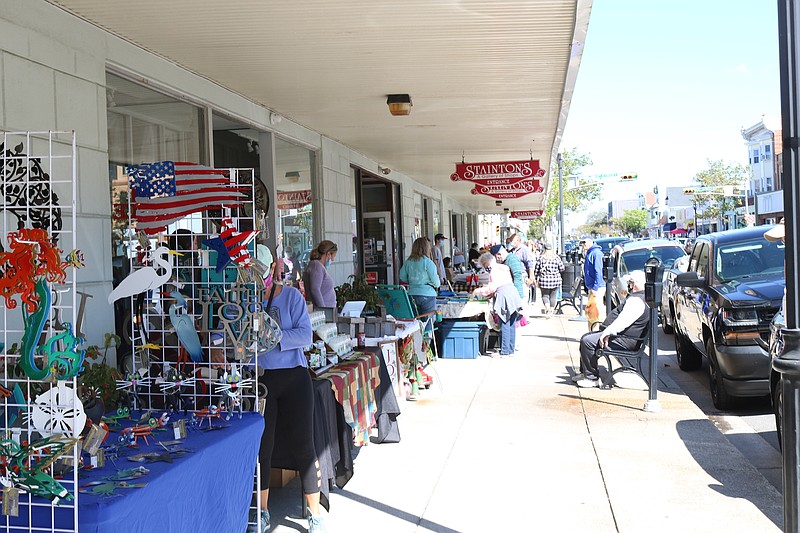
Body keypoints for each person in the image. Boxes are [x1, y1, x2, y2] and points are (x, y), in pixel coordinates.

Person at [251, 246, 326, 533]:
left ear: (273, 268)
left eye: (263, 269)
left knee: (304, 446)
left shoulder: (292, 296)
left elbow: (306, 334)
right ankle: (263, 512)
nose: (258, 276)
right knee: (263, 448)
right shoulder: (247, 298)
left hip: (295, 378)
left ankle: (314, 513)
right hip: (262, 379)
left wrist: (272, 336)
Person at [574, 270, 649, 388]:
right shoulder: (640, 298)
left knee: (587, 342)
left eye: (630, 282)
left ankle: (591, 378)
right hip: (623, 337)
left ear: (634, 283)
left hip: (624, 340)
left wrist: (607, 332)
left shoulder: (636, 301)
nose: (629, 284)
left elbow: (623, 321)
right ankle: (585, 373)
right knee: (586, 338)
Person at [473, 252, 523, 356]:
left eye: (485, 266)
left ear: (488, 263)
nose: (486, 269)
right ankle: (510, 350)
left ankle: (504, 351)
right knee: (512, 324)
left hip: (504, 296)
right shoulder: (504, 267)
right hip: (513, 294)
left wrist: (478, 291)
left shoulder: (494, 271)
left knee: (504, 323)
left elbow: (492, 288)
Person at [399, 237, 441, 316]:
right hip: (428, 295)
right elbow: (436, 283)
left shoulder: (408, 262)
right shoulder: (428, 262)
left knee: (415, 323)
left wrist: (413, 280)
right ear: (427, 248)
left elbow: (402, 277)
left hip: (412, 294)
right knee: (427, 323)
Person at [303, 240, 338, 308]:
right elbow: (315, 289)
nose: (333, 259)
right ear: (328, 254)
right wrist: (323, 309)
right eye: (333, 256)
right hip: (322, 312)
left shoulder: (318, 266)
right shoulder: (316, 266)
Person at [580, 236, 606, 326]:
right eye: (581, 243)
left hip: (597, 287)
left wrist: (595, 287)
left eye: (584, 242)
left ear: (590, 242)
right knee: (591, 311)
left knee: (596, 311)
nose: (582, 245)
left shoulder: (596, 253)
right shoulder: (590, 253)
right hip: (591, 287)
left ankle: (597, 332)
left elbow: (598, 271)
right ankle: (592, 331)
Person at [535, 243, 565, 317]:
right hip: (555, 280)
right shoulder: (556, 258)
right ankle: (551, 310)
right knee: (553, 296)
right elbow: (562, 268)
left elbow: (536, 270)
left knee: (545, 295)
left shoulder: (541, 258)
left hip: (544, 280)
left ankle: (548, 309)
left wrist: (536, 278)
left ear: (544, 249)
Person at [506, 233, 537, 304]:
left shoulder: (524, 250)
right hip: (512, 275)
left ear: (518, 241)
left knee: (522, 297)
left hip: (522, 276)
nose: (511, 243)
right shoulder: (512, 250)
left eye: (512, 241)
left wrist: (531, 278)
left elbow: (530, 263)